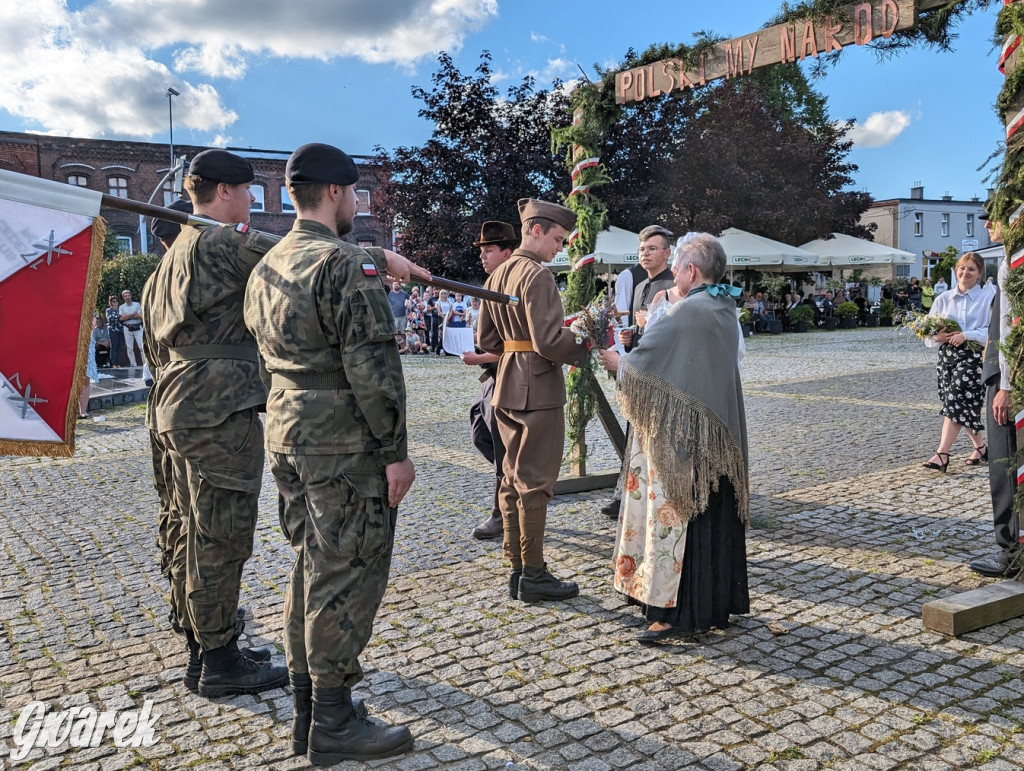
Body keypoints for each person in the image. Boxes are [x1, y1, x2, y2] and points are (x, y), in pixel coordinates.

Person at [243, 143, 419, 764]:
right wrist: (395, 450)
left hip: (287, 433)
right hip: (343, 444)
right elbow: (374, 367)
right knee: (346, 573)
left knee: (310, 565)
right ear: (339, 193)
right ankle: (335, 722)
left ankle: (307, 712)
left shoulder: (267, 265)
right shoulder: (345, 266)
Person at [147, 149, 288, 698]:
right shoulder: (218, 241)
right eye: (248, 191)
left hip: (174, 406)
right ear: (226, 191)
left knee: (186, 526)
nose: (251, 200)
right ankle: (221, 660)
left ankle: (201, 647)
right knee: (219, 534)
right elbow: (302, 260)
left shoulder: (167, 262)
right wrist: (379, 257)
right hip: (216, 409)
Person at [596, 233, 749, 642]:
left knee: (681, 518)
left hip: (683, 444)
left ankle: (676, 614)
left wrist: (615, 361)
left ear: (690, 270)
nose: (674, 275)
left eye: (678, 267)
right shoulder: (721, 305)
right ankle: (712, 605)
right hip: (713, 439)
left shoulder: (690, 311)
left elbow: (645, 367)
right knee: (708, 515)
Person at [476, 199, 589, 602]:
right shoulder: (536, 277)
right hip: (538, 388)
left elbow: (486, 341)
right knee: (536, 483)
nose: (560, 248)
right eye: (558, 239)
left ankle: (517, 568)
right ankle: (535, 574)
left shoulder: (497, 275)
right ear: (535, 231)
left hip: (506, 383)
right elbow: (549, 342)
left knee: (510, 479)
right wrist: (584, 342)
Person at [601, 225, 675, 518]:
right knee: (635, 433)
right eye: (642, 249)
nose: (645, 253)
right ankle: (628, 495)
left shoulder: (673, 284)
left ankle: (655, 494)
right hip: (638, 366)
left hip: (662, 371)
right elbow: (636, 326)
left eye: (652, 248)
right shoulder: (641, 284)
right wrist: (628, 337)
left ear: (667, 253)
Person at [461, 221, 518, 540]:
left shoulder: (511, 289)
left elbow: (518, 346)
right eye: (481, 251)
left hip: (507, 378)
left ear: (506, 253)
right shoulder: (492, 285)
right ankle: (516, 488)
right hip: (491, 377)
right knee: (480, 434)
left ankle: (502, 513)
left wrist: (478, 357)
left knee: (500, 447)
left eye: (489, 250)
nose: (483, 256)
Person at [973, 213, 1020, 577]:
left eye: (996, 219)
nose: (989, 227)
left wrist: (1004, 385)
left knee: (1004, 465)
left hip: (1007, 380)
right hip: (1001, 374)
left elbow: (1009, 329)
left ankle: (1010, 552)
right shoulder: (1008, 259)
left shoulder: (1013, 264)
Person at [921, 252, 992, 471]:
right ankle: (980, 448)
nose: (965, 273)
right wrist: (937, 338)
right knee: (960, 404)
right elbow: (927, 333)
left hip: (973, 357)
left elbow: (991, 331)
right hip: (946, 358)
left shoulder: (988, 297)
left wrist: (966, 335)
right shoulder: (943, 299)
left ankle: (942, 454)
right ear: (955, 271)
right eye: (962, 268)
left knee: (955, 399)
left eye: (971, 269)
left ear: (979, 273)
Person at [119, 289, 144, 366]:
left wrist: (127, 316)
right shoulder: (121, 307)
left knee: (141, 346)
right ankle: (133, 364)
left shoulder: (137, 305)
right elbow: (121, 318)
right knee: (129, 348)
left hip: (137, 327)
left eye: (128, 295)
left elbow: (139, 316)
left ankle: (145, 363)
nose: (127, 297)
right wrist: (132, 315)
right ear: (123, 298)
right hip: (127, 327)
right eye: (125, 296)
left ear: (131, 296)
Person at [105, 295, 124, 367]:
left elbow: (124, 318)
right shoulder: (109, 310)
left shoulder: (120, 309)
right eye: (113, 301)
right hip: (112, 330)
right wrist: (120, 317)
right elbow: (110, 319)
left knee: (120, 347)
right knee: (114, 346)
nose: (115, 303)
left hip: (120, 330)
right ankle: (113, 363)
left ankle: (118, 363)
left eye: (116, 301)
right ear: (111, 302)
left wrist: (121, 317)